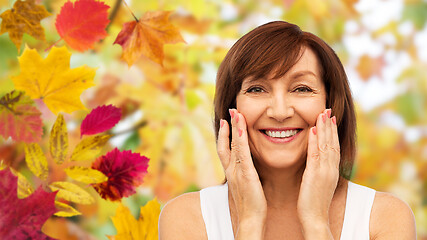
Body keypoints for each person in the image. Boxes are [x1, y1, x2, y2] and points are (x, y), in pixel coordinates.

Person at [158, 21, 416, 239]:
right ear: (230, 108)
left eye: (302, 89)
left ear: (331, 104)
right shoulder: (187, 218)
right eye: (256, 89)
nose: (279, 112)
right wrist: (249, 223)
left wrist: (316, 223)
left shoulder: (384, 218)